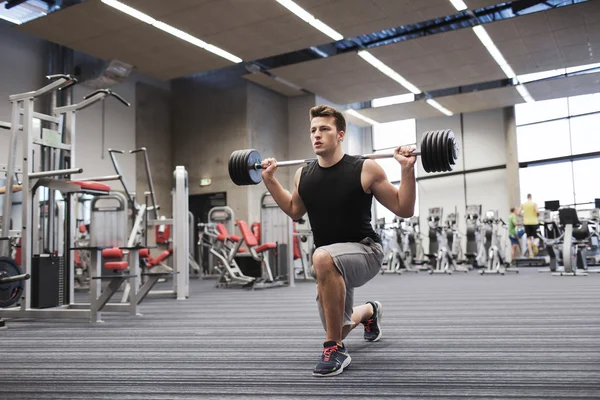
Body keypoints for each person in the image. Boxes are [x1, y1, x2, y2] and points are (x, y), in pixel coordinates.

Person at [260, 105, 416, 377]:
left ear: (340, 134)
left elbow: (404, 208)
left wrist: (406, 170)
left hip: (365, 251)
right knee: (339, 323)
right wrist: (270, 180)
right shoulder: (303, 175)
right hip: (330, 261)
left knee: (321, 257)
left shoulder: (365, 168)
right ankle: (370, 312)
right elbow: (295, 210)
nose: (316, 135)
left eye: (324, 129)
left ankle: (334, 348)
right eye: (313, 130)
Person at [518, 194, 539, 259]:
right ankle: (535, 244)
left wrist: (524, 216)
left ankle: (531, 254)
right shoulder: (534, 204)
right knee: (536, 237)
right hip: (534, 222)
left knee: (528, 238)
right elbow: (537, 212)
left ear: (527, 197)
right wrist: (536, 215)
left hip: (526, 222)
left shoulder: (523, 204)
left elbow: (518, 213)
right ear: (531, 197)